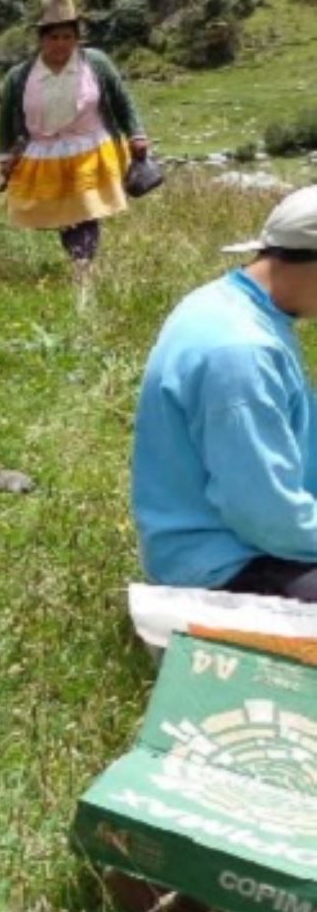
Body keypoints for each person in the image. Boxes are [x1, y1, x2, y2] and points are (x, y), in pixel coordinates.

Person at [133, 187, 317, 602]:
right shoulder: (242, 352)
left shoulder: (225, 303)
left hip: (245, 539)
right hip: (225, 563)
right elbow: (266, 514)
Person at [0, 0, 150, 282]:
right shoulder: (20, 77)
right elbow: (6, 120)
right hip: (44, 154)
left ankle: (83, 268)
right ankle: (77, 259)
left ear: (77, 38)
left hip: (88, 148)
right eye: (54, 37)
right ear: (41, 39)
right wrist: (5, 156)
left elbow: (121, 99)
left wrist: (136, 134)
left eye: (68, 36)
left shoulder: (96, 64)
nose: (61, 44)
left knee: (83, 212)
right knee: (62, 215)